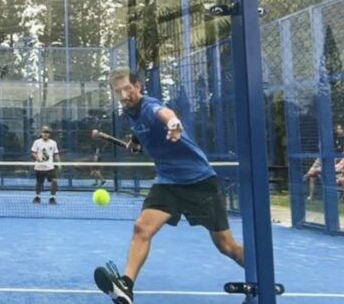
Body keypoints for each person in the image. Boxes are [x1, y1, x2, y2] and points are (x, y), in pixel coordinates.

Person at [95, 69, 244, 304]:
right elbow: (139, 131)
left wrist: (174, 124)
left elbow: (164, 114)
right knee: (142, 228)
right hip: (167, 182)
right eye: (118, 91)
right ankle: (126, 286)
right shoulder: (129, 114)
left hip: (199, 182)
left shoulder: (148, 106)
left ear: (138, 86)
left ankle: (261, 274)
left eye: (127, 88)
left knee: (227, 246)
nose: (123, 95)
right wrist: (134, 143)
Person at [31, 126, 60, 204]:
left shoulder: (53, 143)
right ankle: (37, 197)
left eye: (47, 132)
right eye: (44, 132)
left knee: (54, 181)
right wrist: (36, 158)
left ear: (49, 134)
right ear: (41, 133)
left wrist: (59, 162)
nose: (45, 134)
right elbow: (33, 152)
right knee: (39, 183)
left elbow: (56, 154)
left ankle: (52, 198)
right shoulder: (37, 142)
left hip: (50, 167)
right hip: (39, 167)